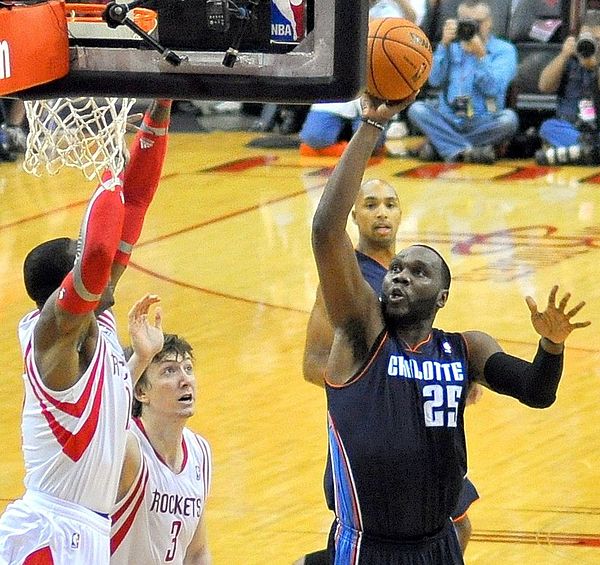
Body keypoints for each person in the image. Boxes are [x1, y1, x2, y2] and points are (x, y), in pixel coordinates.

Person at [310, 91, 590, 563]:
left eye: (418, 272)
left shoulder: (467, 349)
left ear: (442, 298)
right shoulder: (362, 334)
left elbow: (538, 392)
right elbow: (324, 231)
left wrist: (551, 346)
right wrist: (370, 128)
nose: (399, 275)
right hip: (367, 547)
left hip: (438, 544)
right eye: (397, 268)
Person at [0, 99, 172, 564]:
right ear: (66, 289)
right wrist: (107, 172)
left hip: (84, 528)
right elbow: (95, 254)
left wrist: (159, 112)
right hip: (50, 531)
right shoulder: (54, 337)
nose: (115, 270)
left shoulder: (95, 319)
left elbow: (135, 203)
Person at [297, 180, 479, 565]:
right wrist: (381, 379)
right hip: (372, 437)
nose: (381, 212)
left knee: (457, 526)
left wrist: (457, 375)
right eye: (371, 205)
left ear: (401, 213)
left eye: (390, 204)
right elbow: (313, 361)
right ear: (354, 215)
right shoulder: (346, 280)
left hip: (429, 436)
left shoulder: (412, 273)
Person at [110, 301, 212, 564]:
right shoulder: (129, 446)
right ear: (141, 392)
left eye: (188, 369)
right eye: (169, 371)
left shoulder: (200, 452)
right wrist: (141, 358)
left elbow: (197, 551)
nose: (185, 379)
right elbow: (104, 420)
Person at [299, 0, 425, 157]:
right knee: (313, 138)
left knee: (370, 144)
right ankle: (345, 145)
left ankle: (360, 143)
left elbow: (414, 28)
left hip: (380, 76)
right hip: (343, 70)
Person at [407, 0, 519, 164]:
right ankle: (466, 151)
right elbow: (434, 80)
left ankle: (443, 145)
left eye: (477, 23)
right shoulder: (451, 47)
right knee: (417, 109)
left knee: (509, 121)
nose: (471, 28)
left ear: (489, 23)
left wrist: (481, 56)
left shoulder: (505, 50)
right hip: (449, 117)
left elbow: (494, 88)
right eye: (465, 23)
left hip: (484, 120)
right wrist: (443, 46)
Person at [535, 11, 600, 165]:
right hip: (569, 127)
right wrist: (563, 56)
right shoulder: (569, 58)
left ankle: (576, 153)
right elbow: (544, 86)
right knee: (548, 127)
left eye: (597, 40)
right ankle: (588, 152)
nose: (593, 44)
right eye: (588, 39)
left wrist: (595, 67)